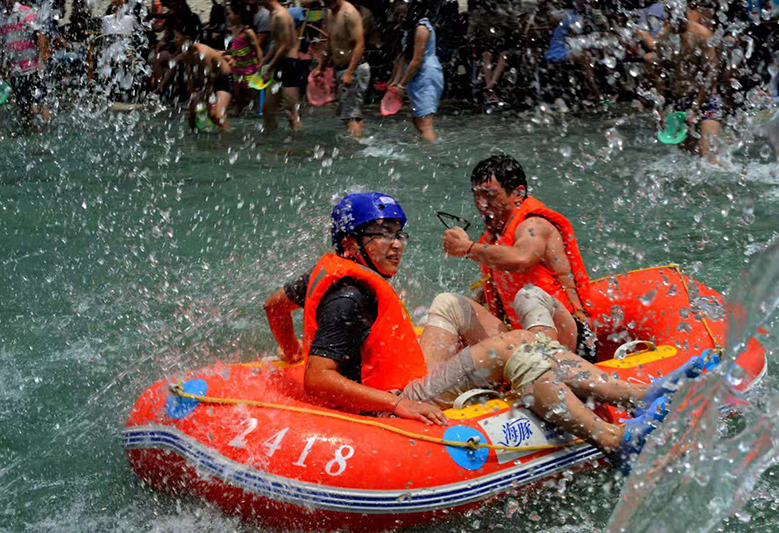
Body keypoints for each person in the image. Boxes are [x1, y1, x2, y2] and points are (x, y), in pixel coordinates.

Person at [264, 192, 702, 468]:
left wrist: (290, 351)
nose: (397, 244)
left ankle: (638, 395)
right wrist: (397, 406)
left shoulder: (326, 273)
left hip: (401, 376)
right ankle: (617, 432)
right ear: (350, 244)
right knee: (515, 347)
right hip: (391, 400)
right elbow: (318, 379)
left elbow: (274, 306)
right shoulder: (349, 298)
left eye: (400, 233)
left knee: (449, 305)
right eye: (382, 234)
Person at [441, 154, 596, 362]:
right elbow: (501, 285)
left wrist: (467, 248)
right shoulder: (494, 236)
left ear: (518, 194)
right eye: (476, 195)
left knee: (529, 295)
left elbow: (522, 260)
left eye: (489, 194)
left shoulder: (534, 225)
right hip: (524, 336)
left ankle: (543, 368)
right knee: (451, 304)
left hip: (569, 335)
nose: (481, 204)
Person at [652, 4, 722, 163]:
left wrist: (697, 105)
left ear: (685, 12)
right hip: (680, 101)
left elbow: (711, 74)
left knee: (709, 157)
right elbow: (661, 76)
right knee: (688, 159)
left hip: (706, 101)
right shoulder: (664, 37)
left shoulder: (702, 34)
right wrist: (661, 108)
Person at [312, 0, 369, 139]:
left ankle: (356, 151)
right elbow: (330, 42)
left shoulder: (349, 13)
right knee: (351, 115)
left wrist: (349, 72)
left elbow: (360, 44)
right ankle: (362, 144)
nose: (327, 2)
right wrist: (321, 67)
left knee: (349, 116)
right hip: (342, 70)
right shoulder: (330, 13)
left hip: (354, 69)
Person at [388, 0, 443, 142]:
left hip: (426, 76)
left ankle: (429, 153)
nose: (402, 17)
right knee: (417, 118)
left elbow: (417, 60)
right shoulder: (410, 30)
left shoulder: (422, 29)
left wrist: (401, 85)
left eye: (405, 13)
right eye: (399, 14)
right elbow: (403, 58)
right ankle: (425, 145)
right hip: (415, 75)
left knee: (425, 122)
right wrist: (395, 81)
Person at [0, 0, 50, 122]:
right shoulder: (0, 18)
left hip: (31, 68)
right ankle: (29, 131)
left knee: (38, 104)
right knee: (23, 107)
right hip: (15, 71)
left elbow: (41, 35)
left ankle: (45, 132)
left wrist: (40, 60)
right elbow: (2, 45)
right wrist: (1, 67)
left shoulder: (25, 12)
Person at [174, 22, 233, 131]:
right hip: (208, 81)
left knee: (217, 116)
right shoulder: (186, 53)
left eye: (177, 37)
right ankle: (195, 142)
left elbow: (210, 77)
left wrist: (206, 98)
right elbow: (189, 74)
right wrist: (192, 95)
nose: (174, 40)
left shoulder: (202, 53)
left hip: (223, 80)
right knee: (192, 115)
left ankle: (227, 139)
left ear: (186, 38)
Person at [258, 0, 302, 133]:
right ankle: (270, 139)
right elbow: (277, 44)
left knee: (291, 111)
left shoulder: (281, 15)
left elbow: (285, 45)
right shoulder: (273, 14)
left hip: (290, 63)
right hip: (279, 64)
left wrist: (269, 68)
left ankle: (297, 145)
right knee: (267, 109)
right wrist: (264, 61)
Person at [224, 4, 262, 115]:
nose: (228, 16)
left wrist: (261, 65)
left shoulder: (247, 32)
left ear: (238, 15)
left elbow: (258, 49)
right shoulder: (234, 30)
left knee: (253, 92)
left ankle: (258, 110)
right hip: (238, 68)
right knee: (238, 92)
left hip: (249, 68)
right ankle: (238, 108)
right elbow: (235, 48)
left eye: (230, 13)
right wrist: (224, 52)